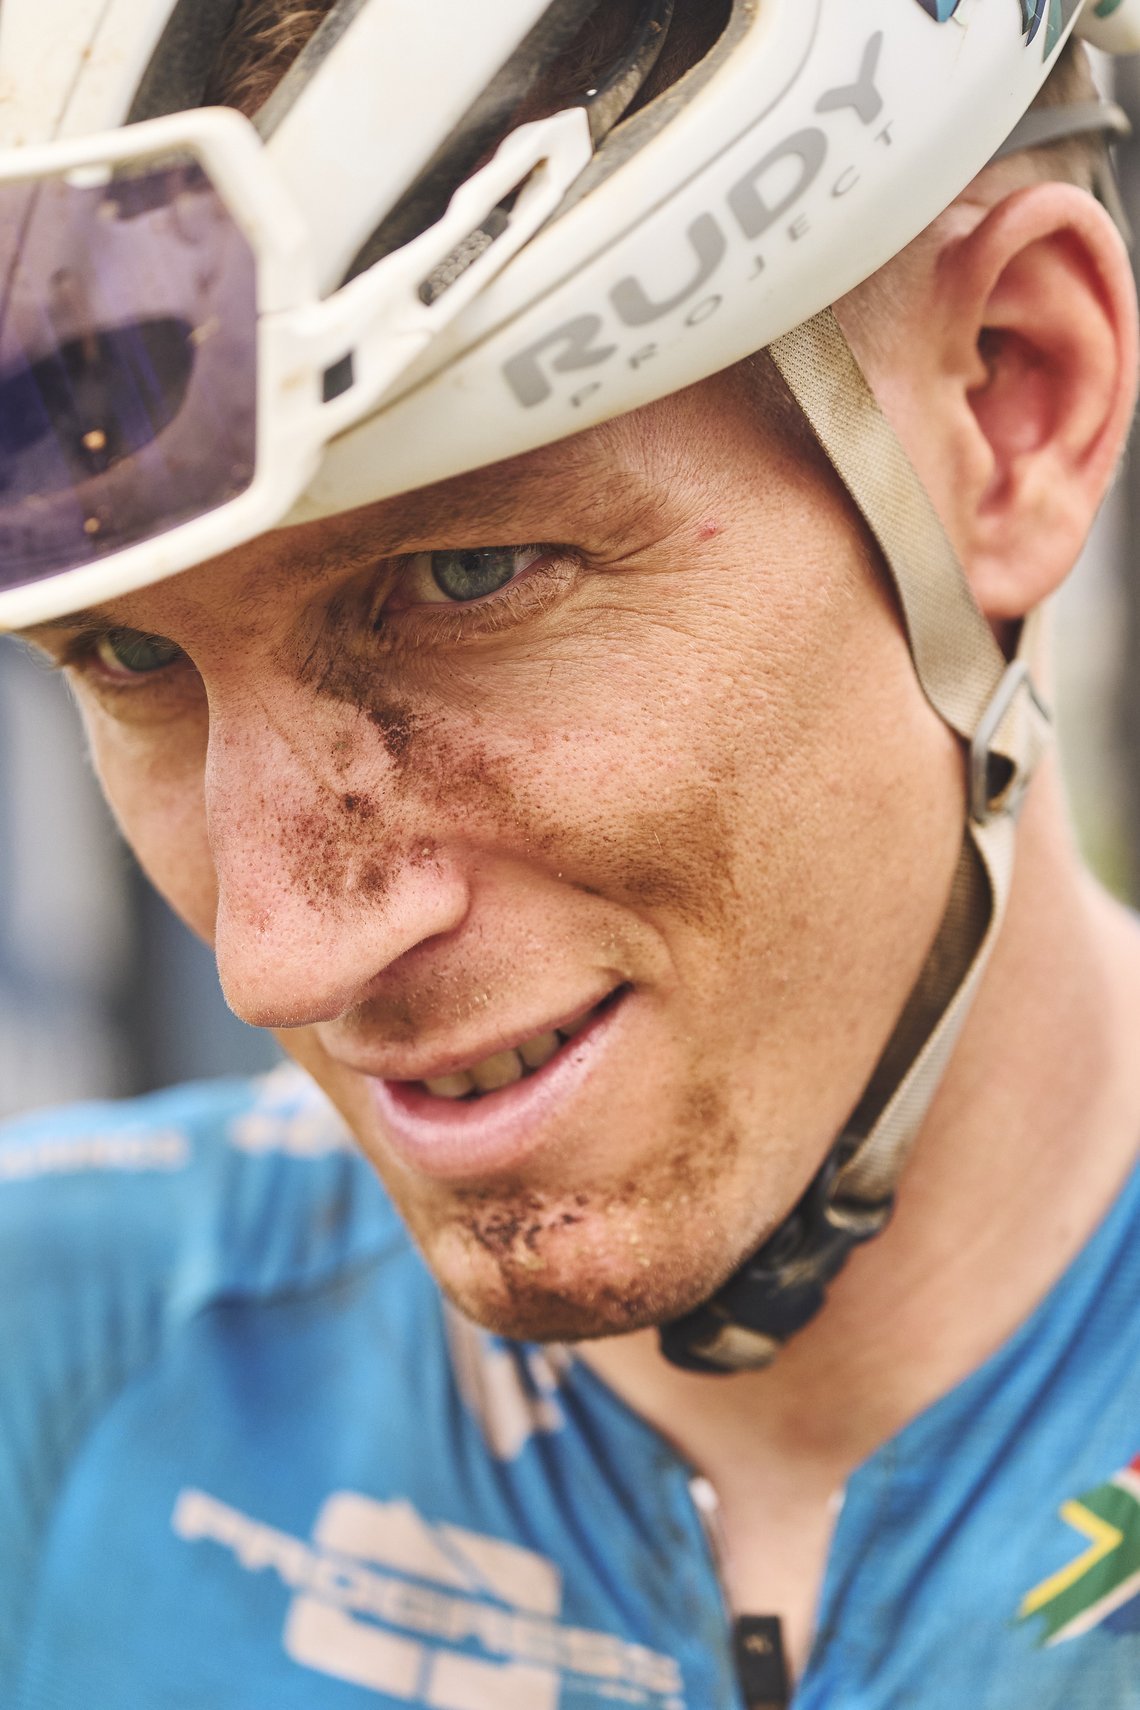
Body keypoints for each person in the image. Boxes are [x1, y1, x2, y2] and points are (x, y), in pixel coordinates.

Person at [3, 1, 1140, 1704]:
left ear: (1007, 404)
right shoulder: (50, 1366)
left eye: (465, 575)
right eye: (130, 660)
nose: (277, 958)